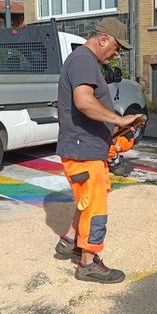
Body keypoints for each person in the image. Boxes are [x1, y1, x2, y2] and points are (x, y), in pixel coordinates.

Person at [54, 17, 143, 284]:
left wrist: (113, 133)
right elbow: (83, 102)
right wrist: (119, 120)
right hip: (84, 151)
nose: (117, 54)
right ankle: (88, 262)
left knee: (87, 200)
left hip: (86, 149)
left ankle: (70, 240)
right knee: (95, 206)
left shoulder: (84, 61)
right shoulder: (84, 61)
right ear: (103, 39)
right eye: (117, 47)